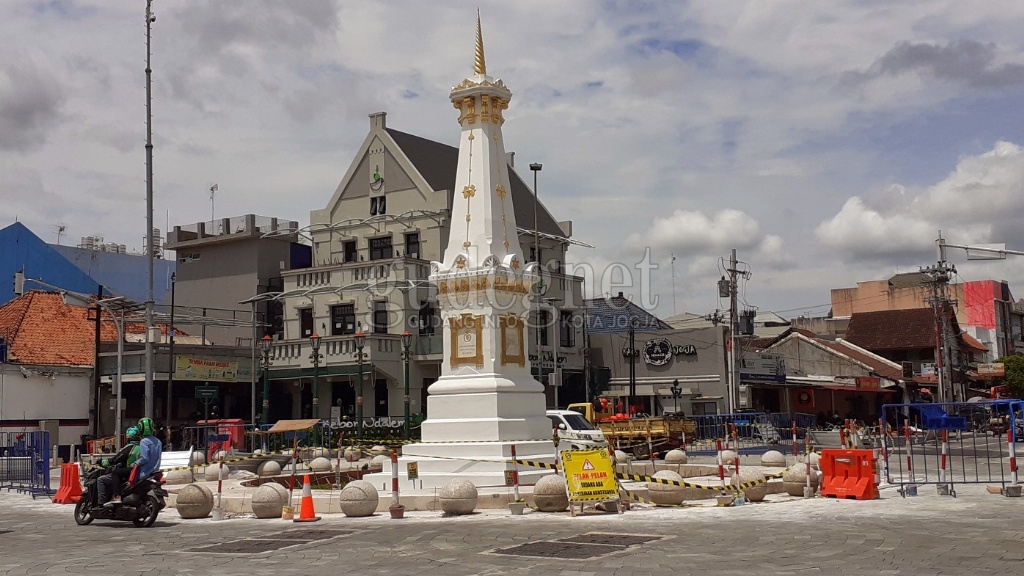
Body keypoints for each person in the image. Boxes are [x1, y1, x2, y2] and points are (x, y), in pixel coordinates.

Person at [97, 427, 140, 507]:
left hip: (128, 472)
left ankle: (104, 502)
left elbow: (115, 459)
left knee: (101, 479)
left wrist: (103, 462)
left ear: (128, 438)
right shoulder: (142, 447)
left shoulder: (129, 448)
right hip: (138, 471)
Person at [132, 417, 163, 487]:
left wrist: (135, 463)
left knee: (132, 485)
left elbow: (144, 458)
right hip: (155, 471)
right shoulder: (158, 442)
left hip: (145, 473)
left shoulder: (144, 442)